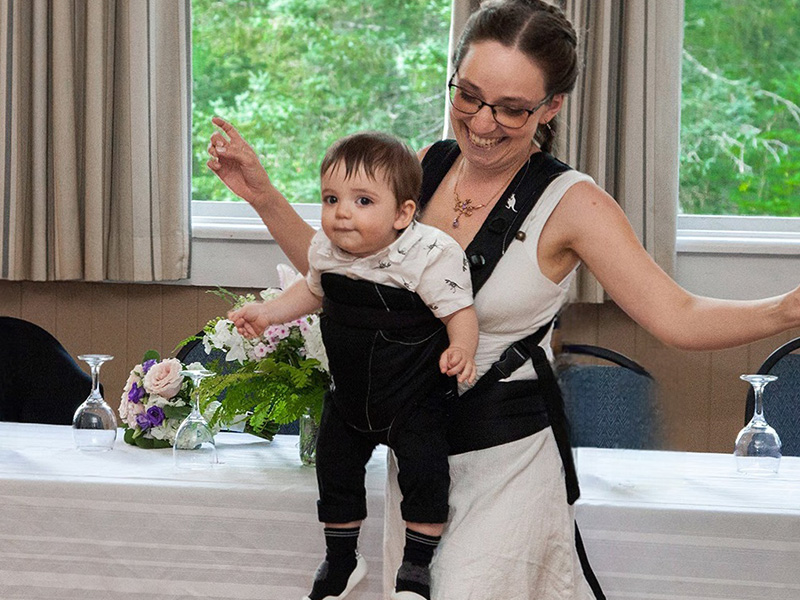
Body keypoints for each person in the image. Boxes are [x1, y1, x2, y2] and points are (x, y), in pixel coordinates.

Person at [207, 1, 800, 597]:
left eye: (512, 108)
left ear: (552, 106)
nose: (483, 123)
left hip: (506, 466)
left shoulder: (575, 203)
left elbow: (678, 317)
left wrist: (787, 310)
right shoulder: (428, 166)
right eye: (468, 96)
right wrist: (263, 195)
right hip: (419, 465)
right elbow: (338, 270)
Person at [227, 131, 479, 600]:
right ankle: (342, 558)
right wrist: (269, 312)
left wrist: (462, 347)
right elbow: (313, 290)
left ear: (403, 213)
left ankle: (416, 567)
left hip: (411, 397)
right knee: (334, 468)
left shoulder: (429, 253)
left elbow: (459, 311)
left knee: (426, 473)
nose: (342, 212)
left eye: (362, 201)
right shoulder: (327, 249)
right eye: (331, 198)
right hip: (349, 397)